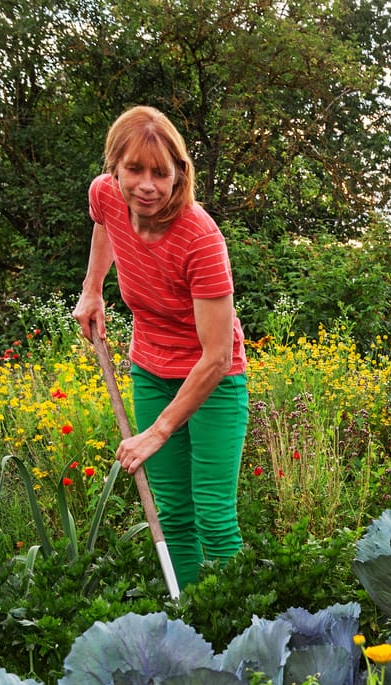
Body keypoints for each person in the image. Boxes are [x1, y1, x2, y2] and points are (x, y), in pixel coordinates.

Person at [73, 105, 247, 591]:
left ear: (180, 174)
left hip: (214, 381)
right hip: (151, 369)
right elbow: (105, 225)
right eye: (134, 170)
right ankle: (191, 622)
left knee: (213, 517)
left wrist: (159, 431)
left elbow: (216, 356)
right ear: (115, 168)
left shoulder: (200, 238)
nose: (146, 185)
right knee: (172, 515)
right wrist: (93, 288)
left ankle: (244, 636)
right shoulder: (105, 195)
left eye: (160, 173)